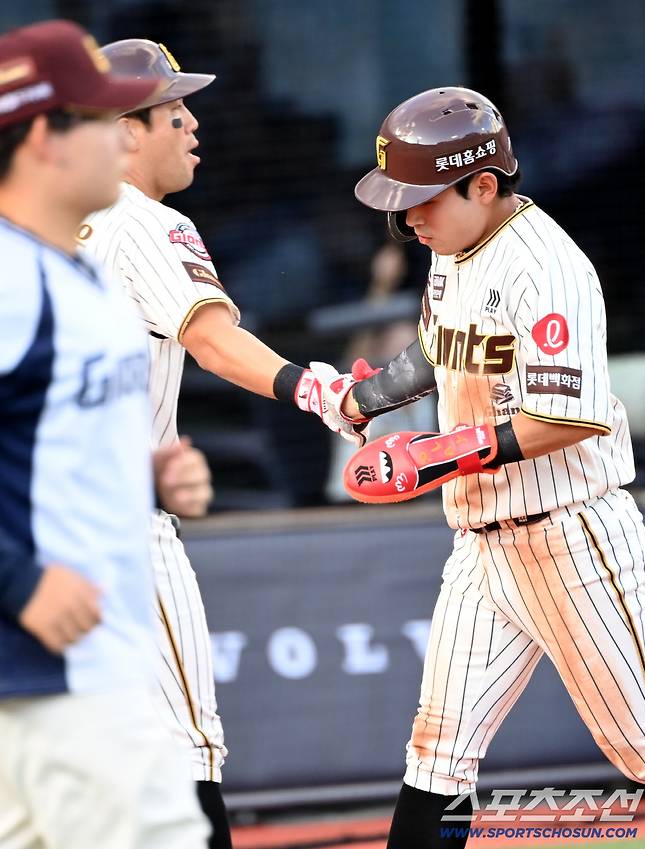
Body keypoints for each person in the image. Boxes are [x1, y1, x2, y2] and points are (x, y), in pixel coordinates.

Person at [330, 86, 645, 848]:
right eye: (399, 204)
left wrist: (443, 451)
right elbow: (441, 349)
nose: (407, 219)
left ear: (484, 185)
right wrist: (371, 395)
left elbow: (571, 416)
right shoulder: (453, 250)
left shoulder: (549, 266)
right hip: (482, 545)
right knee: (437, 750)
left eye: (422, 200)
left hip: (571, 537)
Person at [80, 38, 366, 849]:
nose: (193, 123)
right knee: (184, 752)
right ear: (123, 132)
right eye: (175, 110)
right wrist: (317, 389)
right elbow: (212, 341)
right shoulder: (141, 219)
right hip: (114, 530)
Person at [0, 19, 209, 849]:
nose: (121, 140)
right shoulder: (11, 279)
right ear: (47, 136)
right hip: (64, 678)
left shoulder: (71, 265)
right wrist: (15, 580)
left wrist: (147, 473)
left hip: (76, 677)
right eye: (100, 119)